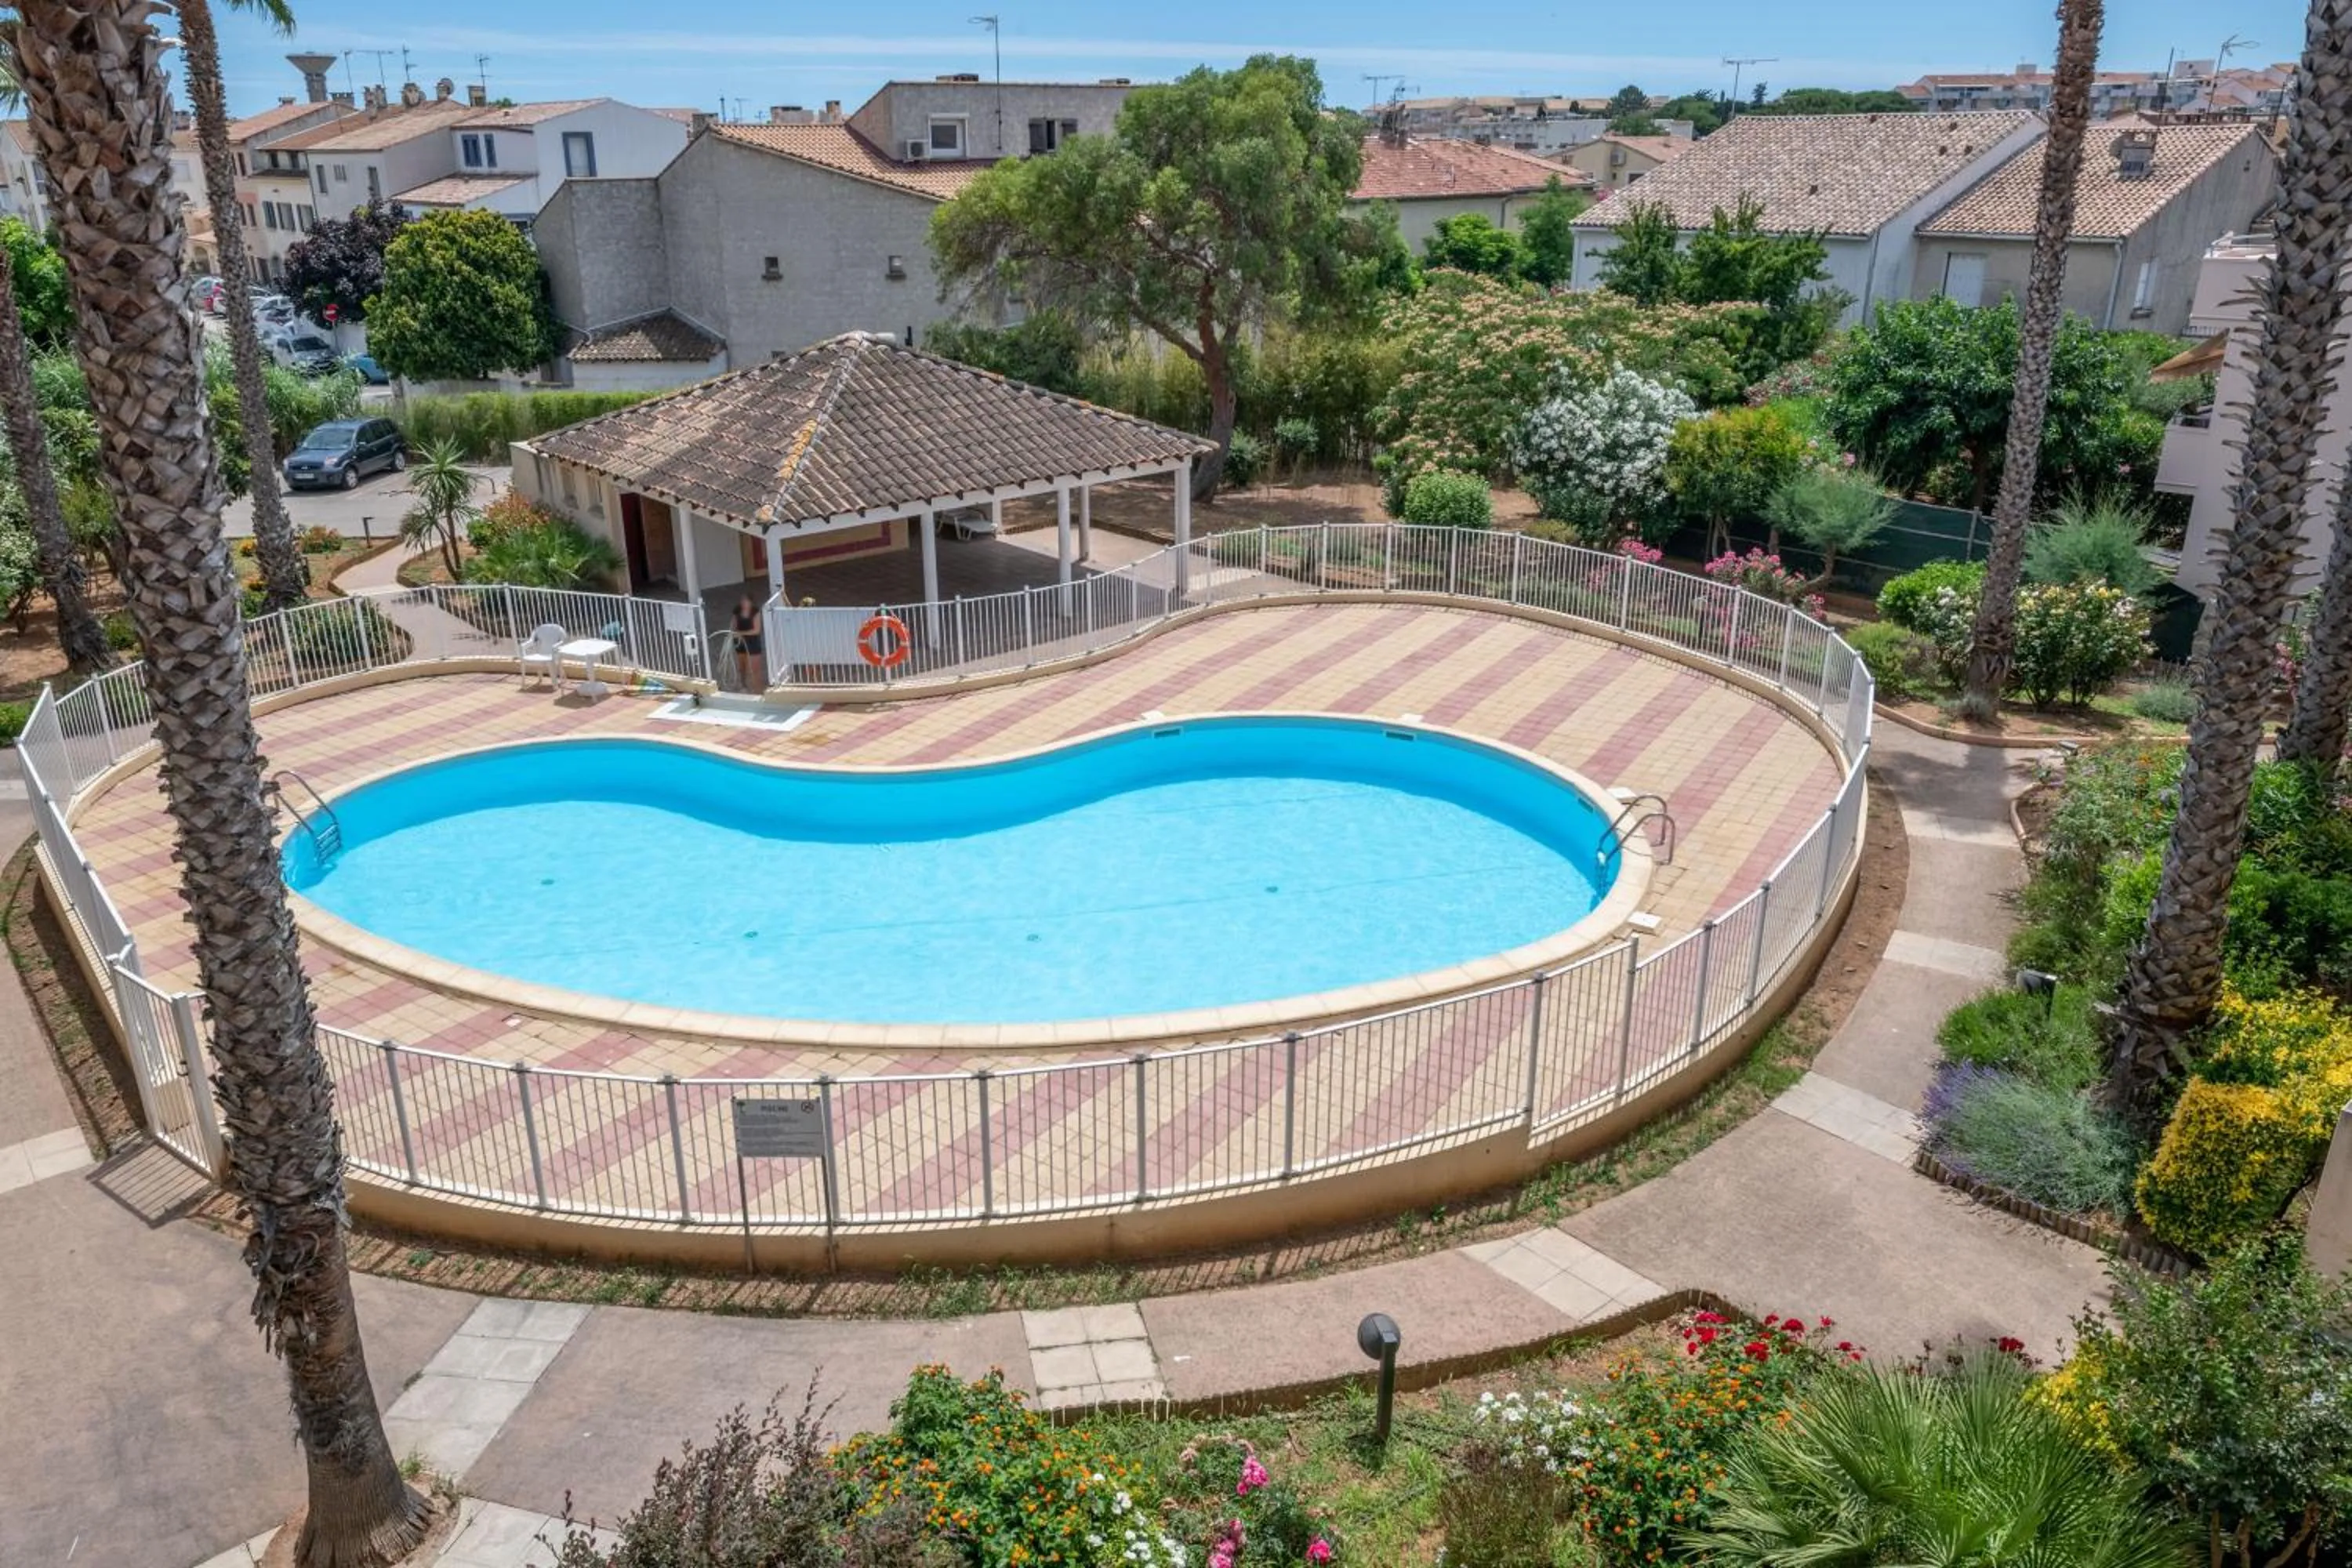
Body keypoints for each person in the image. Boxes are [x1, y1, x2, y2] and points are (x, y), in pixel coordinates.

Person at [730, 594, 764, 690]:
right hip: (740, 642)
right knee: (742, 666)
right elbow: (733, 624)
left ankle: (758, 688)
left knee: (755, 668)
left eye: (746, 601)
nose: (744, 603)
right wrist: (733, 633)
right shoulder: (737, 610)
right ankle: (743, 685)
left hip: (753, 642)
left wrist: (740, 633)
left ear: (751, 603)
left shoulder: (755, 612)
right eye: (742, 601)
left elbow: (756, 630)